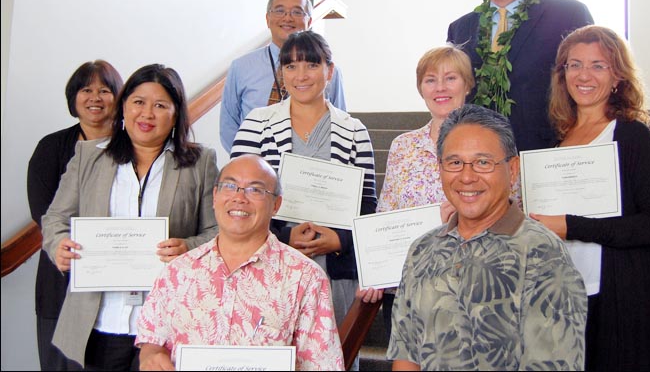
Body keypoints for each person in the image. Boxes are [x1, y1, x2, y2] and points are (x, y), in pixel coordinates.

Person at [41, 64, 219, 370]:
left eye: (160, 105)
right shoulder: (89, 156)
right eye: (138, 102)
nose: (147, 114)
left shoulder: (200, 162)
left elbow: (217, 231)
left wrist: (188, 248)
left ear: (176, 114)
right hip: (97, 320)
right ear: (123, 107)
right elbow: (55, 218)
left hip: (166, 326)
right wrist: (57, 244)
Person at [387, 104, 587, 371]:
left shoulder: (543, 254)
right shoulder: (422, 250)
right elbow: (406, 352)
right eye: (455, 162)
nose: (467, 177)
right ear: (440, 169)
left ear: (512, 169)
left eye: (483, 162)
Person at [231, 30, 377, 369]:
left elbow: (367, 205)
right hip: (270, 265)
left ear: (330, 70)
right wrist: (283, 238)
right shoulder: (257, 123)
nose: (301, 75)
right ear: (280, 72)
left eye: (312, 64)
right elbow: (239, 201)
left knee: (333, 360)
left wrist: (339, 240)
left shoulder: (354, 131)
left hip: (333, 271)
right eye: (291, 65)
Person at [529, 25, 650, 372]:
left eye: (598, 65)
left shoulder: (631, 135)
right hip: (565, 295)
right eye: (574, 65)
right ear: (563, 74)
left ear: (617, 76)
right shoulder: (559, 138)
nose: (583, 75)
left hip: (618, 297)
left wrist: (573, 226)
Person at [135, 154, 344, 371]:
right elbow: (152, 339)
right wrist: (152, 353)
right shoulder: (178, 272)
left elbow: (322, 364)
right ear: (215, 196)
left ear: (276, 204)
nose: (239, 197)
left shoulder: (305, 277)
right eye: (230, 186)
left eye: (255, 190)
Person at [447, 0, 594, 152]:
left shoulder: (568, 14)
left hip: (550, 150)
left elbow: (590, 80)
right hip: (481, 158)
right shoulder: (461, 28)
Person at [28, 60, 123, 371]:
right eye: (86, 90)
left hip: (119, 276)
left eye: (104, 90)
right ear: (74, 97)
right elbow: (44, 212)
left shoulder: (135, 146)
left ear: (118, 98)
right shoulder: (51, 147)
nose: (95, 97)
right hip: (61, 275)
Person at [374, 45, 474, 338]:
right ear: (421, 88)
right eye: (431, 80)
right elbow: (385, 215)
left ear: (467, 84)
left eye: (451, 78)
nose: (440, 87)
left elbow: (512, 210)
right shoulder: (403, 145)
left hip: (467, 286)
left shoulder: (491, 141)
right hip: (406, 286)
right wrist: (373, 271)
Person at [219, 0, 346, 154]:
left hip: (312, 167)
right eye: (279, 11)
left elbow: (339, 122)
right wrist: (247, 160)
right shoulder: (240, 67)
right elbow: (229, 125)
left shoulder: (329, 71)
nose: (287, 18)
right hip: (256, 166)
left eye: (297, 12)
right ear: (267, 19)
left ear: (309, 21)